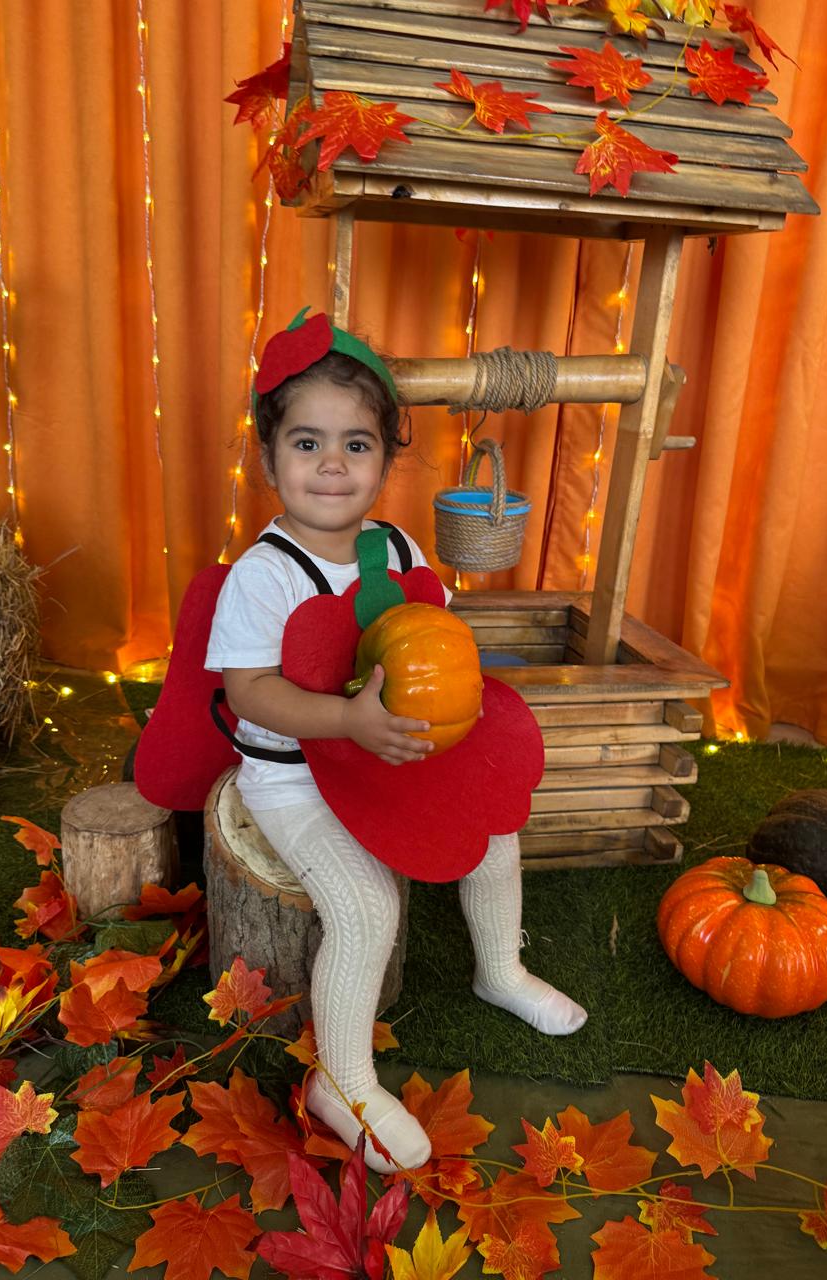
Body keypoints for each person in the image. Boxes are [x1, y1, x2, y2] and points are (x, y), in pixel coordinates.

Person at [206, 309, 586, 1173]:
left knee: (493, 829)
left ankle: (500, 969)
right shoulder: (263, 575)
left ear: (385, 459)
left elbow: (435, 643)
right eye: (306, 444)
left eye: (357, 445)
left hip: (389, 753)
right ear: (268, 459)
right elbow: (249, 692)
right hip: (295, 777)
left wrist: (447, 715)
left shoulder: (397, 549)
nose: (332, 465)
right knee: (367, 905)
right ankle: (341, 1081)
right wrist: (347, 721)